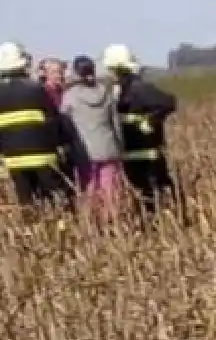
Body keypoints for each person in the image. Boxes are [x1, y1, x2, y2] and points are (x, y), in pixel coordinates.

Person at [102, 44, 179, 214]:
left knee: (152, 192)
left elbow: (168, 102)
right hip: (131, 153)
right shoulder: (118, 90)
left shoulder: (139, 88)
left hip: (147, 153)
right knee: (142, 195)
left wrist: (151, 120)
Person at [0, 41, 75, 212]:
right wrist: (62, 144)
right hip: (43, 156)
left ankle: (31, 230)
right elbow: (53, 120)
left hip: (14, 159)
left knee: (26, 201)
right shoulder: (36, 89)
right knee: (56, 199)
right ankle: (59, 229)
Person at [59, 55, 124, 220]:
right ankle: (112, 223)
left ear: (75, 72)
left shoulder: (70, 96)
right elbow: (115, 123)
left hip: (84, 151)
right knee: (110, 190)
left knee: (88, 190)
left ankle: (90, 225)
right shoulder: (106, 93)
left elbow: (64, 123)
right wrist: (119, 145)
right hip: (108, 148)